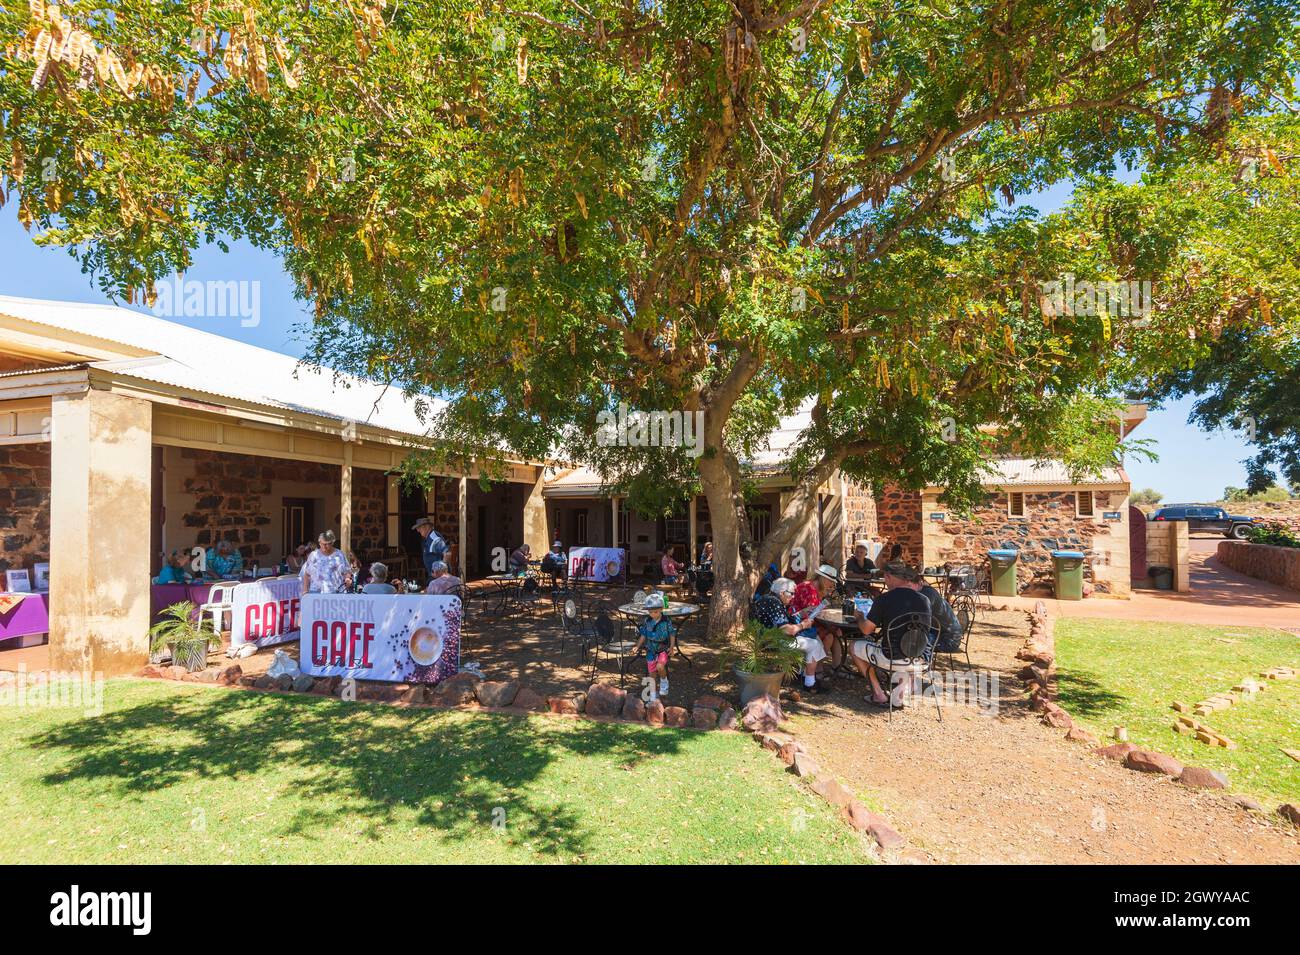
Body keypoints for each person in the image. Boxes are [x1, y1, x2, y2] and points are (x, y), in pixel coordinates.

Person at [851, 562, 932, 706]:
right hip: (920, 658)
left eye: (885, 579)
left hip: (892, 657)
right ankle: (900, 694)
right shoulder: (924, 599)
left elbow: (866, 630)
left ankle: (878, 694)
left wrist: (859, 617)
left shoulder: (884, 599)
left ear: (888, 577)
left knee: (854, 646)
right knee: (904, 645)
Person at [752, 577, 827, 694]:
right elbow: (786, 630)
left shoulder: (769, 598)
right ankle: (810, 683)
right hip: (772, 642)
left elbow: (782, 621)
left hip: (766, 638)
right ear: (782, 593)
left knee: (814, 639)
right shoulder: (774, 603)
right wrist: (803, 625)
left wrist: (801, 613)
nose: (793, 597)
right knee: (815, 644)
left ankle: (804, 674)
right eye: (791, 594)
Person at [632, 592, 676, 699]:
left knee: (660, 667)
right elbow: (643, 634)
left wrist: (671, 647)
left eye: (655, 612)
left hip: (662, 648)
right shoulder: (647, 621)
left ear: (661, 609)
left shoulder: (666, 621)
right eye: (650, 612)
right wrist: (637, 646)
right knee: (652, 672)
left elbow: (672, 633)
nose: (653, 614)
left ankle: (664, 681)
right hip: (650, 649)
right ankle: (652, 694)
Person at [300, 530, 352, 594]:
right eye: (322, 544)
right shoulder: (314, 555)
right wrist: (305, 589)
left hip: (336, 591)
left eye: (326, 544)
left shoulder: (339, 555)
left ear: (332, 543)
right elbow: (307, 574)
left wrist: (347, 579)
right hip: (316, 592)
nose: (324, 546)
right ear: (319, 543)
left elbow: (347, 571)